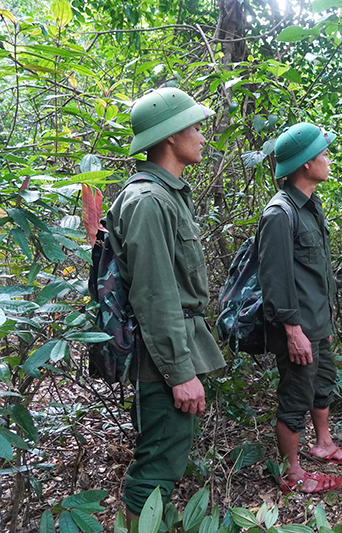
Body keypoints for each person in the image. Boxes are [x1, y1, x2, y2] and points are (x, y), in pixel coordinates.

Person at [106, 88, 226, 521]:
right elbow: (154, 296)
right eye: (194, 126)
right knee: (156, 468)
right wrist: (180, 372)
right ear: (171, 137)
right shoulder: (150, 201)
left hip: (173, 348)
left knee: (167, 456)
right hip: (163, 358)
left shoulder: (166, 194)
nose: (201, 135)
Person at [256, 122, 342, 494]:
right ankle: (292, 472)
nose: (328, 160)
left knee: (323, 382)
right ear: (305, 164)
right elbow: (275, 280)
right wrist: (294, 331)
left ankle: (324, 443)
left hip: (317, 323)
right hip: (297, 329)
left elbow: (313, 271)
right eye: (323, 154)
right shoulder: (280, 214)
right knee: (296, 396)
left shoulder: (310, 207)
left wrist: (323, 321)